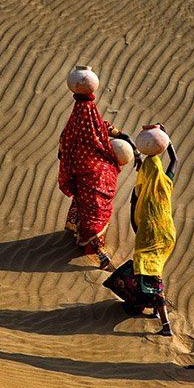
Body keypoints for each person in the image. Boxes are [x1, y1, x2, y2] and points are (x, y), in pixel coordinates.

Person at [103, 125, 177, 336]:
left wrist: (137, 226)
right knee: (145, 269)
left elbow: (135, 205)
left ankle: (165, 325)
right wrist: (167, 139)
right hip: (167, 234)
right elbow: (174, 161)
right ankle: (151, 308)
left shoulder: (142, 184)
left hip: (149, 232)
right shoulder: (166, 181)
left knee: (152, 273)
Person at [58, 88, 137, 270]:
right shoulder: (96, 123)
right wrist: (132, 145)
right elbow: (116, 132)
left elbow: (61, 152)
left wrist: (74, 163)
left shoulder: (73, 127)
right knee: (96, 212)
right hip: (97, 175)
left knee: (88, 206)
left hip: (83, 175)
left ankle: (78, 232)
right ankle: (100, 253)